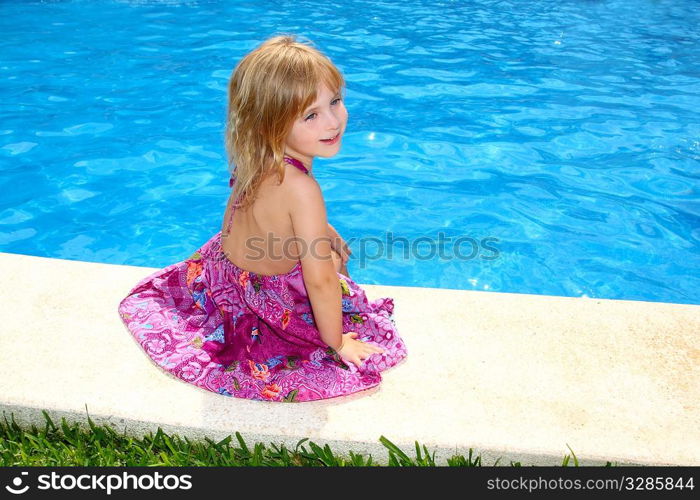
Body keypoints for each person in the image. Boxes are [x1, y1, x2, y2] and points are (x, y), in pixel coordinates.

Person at [118, 34, 407, 402]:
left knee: (330, 247)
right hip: (265, 308)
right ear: (271, 124)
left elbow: (255, 215)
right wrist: (335, 343)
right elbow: (319, 282)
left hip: (224, 280)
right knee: (334, 263)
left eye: (335, 101)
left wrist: (323, 230)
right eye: (311, 115)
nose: (333, 122)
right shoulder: (302, 188)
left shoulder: (256, 156)